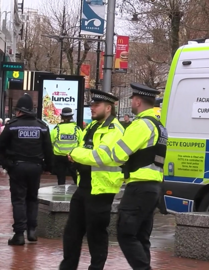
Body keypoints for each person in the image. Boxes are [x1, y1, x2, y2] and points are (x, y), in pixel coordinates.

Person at [100, 83, 168, 270]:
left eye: (132, 99)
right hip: (154, 187)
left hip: (139, 186)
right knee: (141, 236)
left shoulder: (141, 125)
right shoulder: (160, 126)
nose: (131, 102)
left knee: (126, 234)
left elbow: (118, 154)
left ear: (137, 101)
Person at [59, 90, 124, 270]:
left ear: (108, 107)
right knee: (72, 232)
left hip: (102, 189)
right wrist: (78, 155)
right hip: (85, 185)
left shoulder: (115, 129)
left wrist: (75, 154)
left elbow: (100, 156)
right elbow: (83, 148)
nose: (92, 108)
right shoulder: (92, 127)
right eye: (92, 105)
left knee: (96, 235)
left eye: (96, 105)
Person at [0, 93, 53, 245]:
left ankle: (19, 234)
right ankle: (32, 231)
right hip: (35, 167)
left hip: (18, 167)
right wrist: (47, 166)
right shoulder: (42, 127)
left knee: (18, 200)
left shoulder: (13, 125)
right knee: (32, 199)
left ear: (20, 111)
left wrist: (7, 163)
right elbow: (48, 149)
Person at [51, 107, 83, 185]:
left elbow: (51, 142)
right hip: (73, 157)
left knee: (61, 179)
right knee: (76, 177)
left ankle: (60, 194)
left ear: (62, 117)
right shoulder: (77, 129)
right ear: (71, 117)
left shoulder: (56, 129)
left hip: (59, 157)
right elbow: (81, 143)